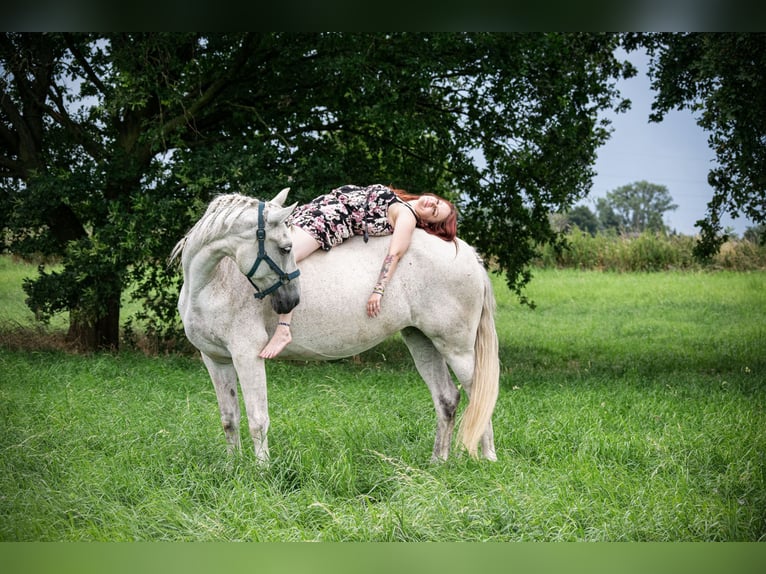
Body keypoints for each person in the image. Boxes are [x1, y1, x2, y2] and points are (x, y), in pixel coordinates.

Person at [259, 183, 458, 359]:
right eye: (438, 203)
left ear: (425, 222)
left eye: (434, 213)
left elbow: (394, 254)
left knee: (285, 260)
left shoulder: (407, 217)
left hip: (327, 222)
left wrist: (378, 290)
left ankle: (284, 328)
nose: (433, 205)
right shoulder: (400, 201)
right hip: (314, 210)